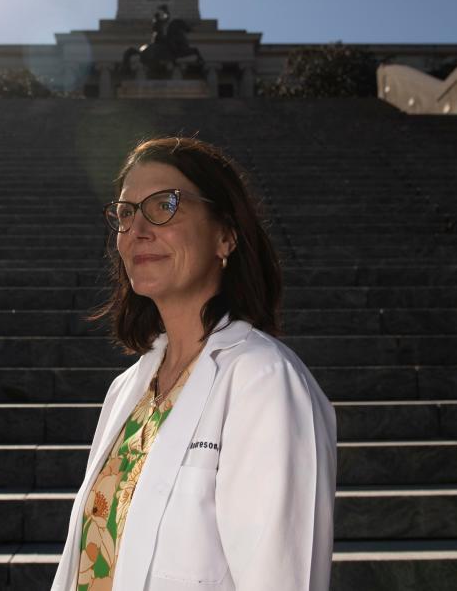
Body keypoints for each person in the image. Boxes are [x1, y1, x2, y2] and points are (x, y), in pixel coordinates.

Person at [52, 136, 337, 591]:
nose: (137, 230)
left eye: (164, 205)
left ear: (226, 234)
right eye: (126, 213)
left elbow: (282, 577)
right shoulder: (127, 389)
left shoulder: (263, 380)